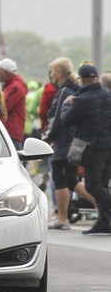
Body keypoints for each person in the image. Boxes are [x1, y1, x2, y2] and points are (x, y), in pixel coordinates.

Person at [42, 58, 94, 230]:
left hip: (63, 142)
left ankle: (62, 218)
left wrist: (48, 138)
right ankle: (103, 204)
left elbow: (57, 119)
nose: (51, 75)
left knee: (60, 178)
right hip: (74, 141)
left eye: (52, 72)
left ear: (57, 73)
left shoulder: (64, 91)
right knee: (71, 180)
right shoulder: (75, 90)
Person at [61, 63, 111, 235]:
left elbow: (67, 120)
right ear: (96, 78)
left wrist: (67, 104)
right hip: (108, 146)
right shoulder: (107, 95)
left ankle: (106, 217)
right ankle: (104, 222)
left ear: (81, 80)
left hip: (93, 148)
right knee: (103, 183)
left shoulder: (82, 99)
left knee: (92, 185)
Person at [0, 58, 27, 150]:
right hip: (11, 130)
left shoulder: (15, 87)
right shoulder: (12, 85)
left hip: (11, 131)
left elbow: (3, 107)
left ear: (5, 72)